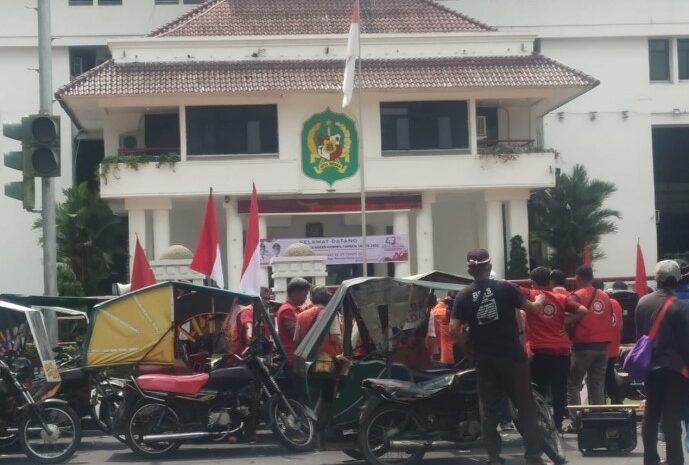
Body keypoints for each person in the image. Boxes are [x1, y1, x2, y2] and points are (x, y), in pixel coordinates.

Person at [450, 249, 548, 465]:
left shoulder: (463, 295)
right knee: (525, 405)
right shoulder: (505, 288)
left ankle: (494, 458)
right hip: (512, 357)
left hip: (484, 359)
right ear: (488, 266)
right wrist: (540, 299)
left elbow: (454, 329)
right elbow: (532, 310)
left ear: (470, 269)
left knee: (488, 411)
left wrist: (468, 352)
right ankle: (533, 456)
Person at [637, 260, 689, 465]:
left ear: (656, 278)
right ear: (677, 279)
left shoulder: (642, 302)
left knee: (651, 413)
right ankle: (674, 458)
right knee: (671, 415)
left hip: (650, 365)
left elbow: (640, 336)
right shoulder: (680, 306)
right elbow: (686, 343)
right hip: (674, 367)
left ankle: (650, 457)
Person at [523, 266, 587, 431]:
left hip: (540, 350)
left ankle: (540, 423)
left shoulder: (530, 294)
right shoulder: (560, 298)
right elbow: (582, 310)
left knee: (538, 389)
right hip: (561, 349)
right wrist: (566, 322)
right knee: (560, 389)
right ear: (550, 281)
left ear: (533, 282)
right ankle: (557, 424)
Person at [566, 265, 613, 406]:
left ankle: (577, 420)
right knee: (597, 384)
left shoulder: (576, 295)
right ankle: (598, 420)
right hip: (603, 346)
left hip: (583, 346)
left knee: (573, 383)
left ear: (577, 278)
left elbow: (567, 319)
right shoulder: (605, 296)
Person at [297, 286, 342, 356]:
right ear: (329, 299)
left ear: (312, 299)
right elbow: (335, 338)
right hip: (328, 359)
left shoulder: (300, 316)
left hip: (307, 358)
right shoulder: (330, 314)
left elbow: (296, 340)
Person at [276, 278, 311, 364]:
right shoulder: (287, 310)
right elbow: (297, 335)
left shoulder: (294, 309)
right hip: (292, 358)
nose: (306, 298)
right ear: (296, 294)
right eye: (305, 295)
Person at [604, 280, 625, 405]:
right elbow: (620, 325)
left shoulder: (601, 303)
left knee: (602, 377)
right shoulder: (616, 304)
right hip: (613, 347)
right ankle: (617, 399)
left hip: (601, 346)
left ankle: (603, 404)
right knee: (609, 374)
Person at [431, 292, 457, 366]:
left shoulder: (454, 307)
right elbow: (444, 314)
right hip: (445, 354)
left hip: (456, 349)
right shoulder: (439, 307)